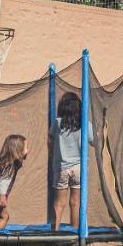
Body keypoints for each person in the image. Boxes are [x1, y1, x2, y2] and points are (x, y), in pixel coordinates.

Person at [50, 92, 82, 229]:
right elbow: (93, 140)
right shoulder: (84, 123)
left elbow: (50, 139)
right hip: (79, 168)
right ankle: (74, 230)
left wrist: (53, 154)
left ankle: (55, 231)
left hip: (61, 167)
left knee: (59, 202)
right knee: (75, 202)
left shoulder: (58, 123)